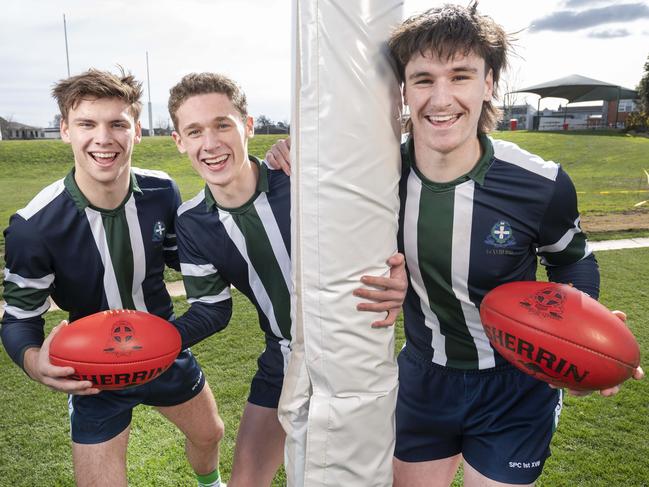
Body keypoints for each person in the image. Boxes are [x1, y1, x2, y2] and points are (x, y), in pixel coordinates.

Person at [266, 3, 644, 486]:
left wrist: (581, 322)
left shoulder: (538, 183)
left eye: (461, 76)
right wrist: (292, 153)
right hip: (424, 380)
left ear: (489, 84)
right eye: (423, 79)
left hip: (515, 386)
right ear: (402, 90)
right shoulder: (371, 178)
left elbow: (573, 261)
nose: (441, 98)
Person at [167, 72, 407, 486]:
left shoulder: (302, 174)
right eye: (195, 131)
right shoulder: (192, 222)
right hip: (282, 355)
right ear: (179, 141)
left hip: (354, 350)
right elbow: (211, 310)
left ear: (248, 125)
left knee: (375, 477)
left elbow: (383, 191)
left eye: (222, 124)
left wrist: (401, 269)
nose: (210, 143)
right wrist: (154, 342)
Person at [1, 68, 227, 487]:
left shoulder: (162, 192)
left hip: (164, 352)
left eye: (117, 124)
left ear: (136, 131)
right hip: (93, 376)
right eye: (87, 123)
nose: (103, 138)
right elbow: (18, 319)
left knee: (210, 432)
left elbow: (190, 260)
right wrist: (36, 363)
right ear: (66, 129)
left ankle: (210, 484)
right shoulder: (34, 227)